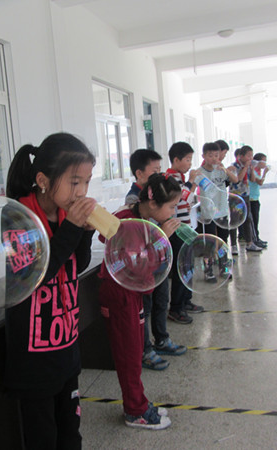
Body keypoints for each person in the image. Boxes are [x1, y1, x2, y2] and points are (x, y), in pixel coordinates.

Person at [4, 132, 97, 450]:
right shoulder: (18, 218)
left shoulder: (65, 214)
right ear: (43, 180)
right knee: (43, 438)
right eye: (74, 182)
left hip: (66, 346)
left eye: (86, 182)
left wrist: (85, 233)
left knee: (71, 432)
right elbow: (35, 276)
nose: (81, 191)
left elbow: (76, 264)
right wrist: (71, 228)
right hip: (34, 361)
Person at [99, 173, 182, 430]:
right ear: (153, 203)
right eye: (171, 206)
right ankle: (135, 411)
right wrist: (161, 238)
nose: (173, 212)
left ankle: (139, 402)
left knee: (135, 353)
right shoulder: (128, 220)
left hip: (133, 292)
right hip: (120, 295)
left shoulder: (144, 219)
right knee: (129, 355)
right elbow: (138, 263)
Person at [126, 150, 186, 371]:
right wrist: (163, 235)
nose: (173, 212)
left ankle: (161, 339)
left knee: (162, 301)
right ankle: (146, 349)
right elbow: (138, 253)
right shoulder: (133, 209)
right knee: (145, 310)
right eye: (155, 171)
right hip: (143, 272)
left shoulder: (154, 203)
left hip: (158, 266)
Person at [165, 142, 203, 324]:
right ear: (176, 160)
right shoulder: (170, 178)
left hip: (185, 228)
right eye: (187, 159)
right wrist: (192, 181)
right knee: (182, 268)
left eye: (190, 160)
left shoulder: (179, 177)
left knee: (189, 266)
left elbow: (187, 200)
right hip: (177, 230)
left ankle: (186, 300)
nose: (189, 163)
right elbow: (182, 196)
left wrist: (190, 184)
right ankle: (176, 308)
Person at [227, 145, 263, 254]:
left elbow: (252, 179)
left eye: (251, 155)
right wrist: (245, 167)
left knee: (248, 219)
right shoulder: (233, 167)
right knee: (235, 220)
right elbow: (238, 179)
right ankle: (233, 245)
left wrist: (251, 169)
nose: (250, 158)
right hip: (235, 196)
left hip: (246, 195)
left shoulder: (249, 166)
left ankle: (250, 243)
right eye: (248, 156)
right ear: (241, 156)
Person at [249, 152, 269, 248]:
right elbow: (260, 182)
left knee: (256, 220)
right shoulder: (253, 171)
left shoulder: (256, 171)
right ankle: (255, 239)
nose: (265, 163)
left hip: (255, 197)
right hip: (251, 199)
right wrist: (265, 173)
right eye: (264, 161)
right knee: (253, 220)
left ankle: (257, 238)